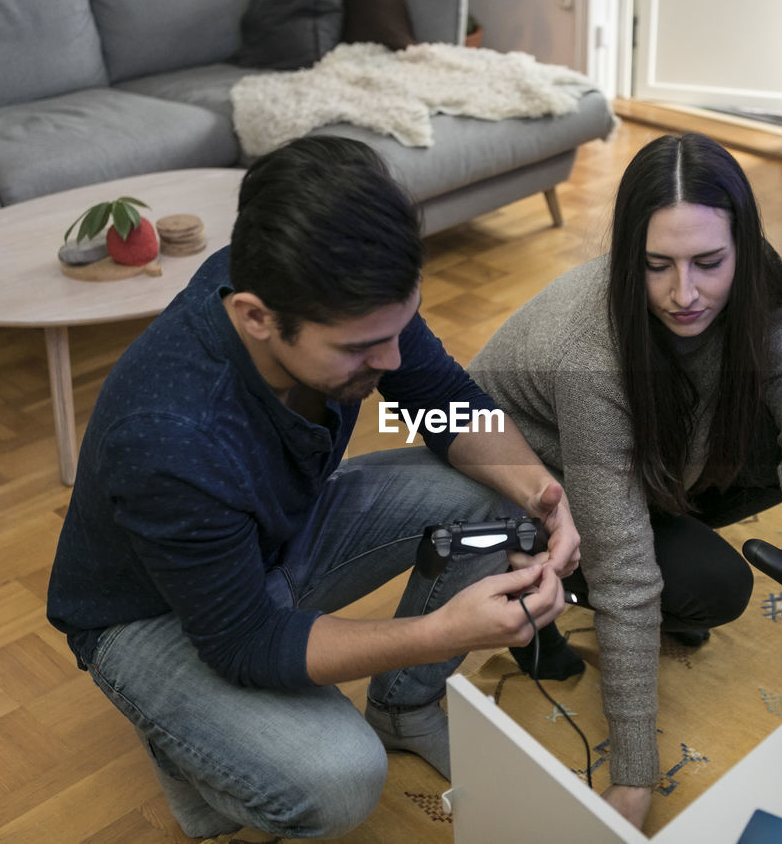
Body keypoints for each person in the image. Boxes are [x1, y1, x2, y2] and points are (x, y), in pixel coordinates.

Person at [46, 135, 580, 841]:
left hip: (272, 532)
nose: (391, 359)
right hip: (146, 613)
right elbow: (246, 638)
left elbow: (441, 399)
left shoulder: (330, 287)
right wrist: (435, 633)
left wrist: (545, 494)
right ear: (255, 317)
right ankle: (184, 747)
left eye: (401, 324)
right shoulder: (170, 437)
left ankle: (401, 708)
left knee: (502, 499)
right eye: (361, 348)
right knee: (337, 780)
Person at [469, 132, 782, 829]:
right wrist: (634, 777)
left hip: (626, 454)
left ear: (742, 246)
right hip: (529, 469)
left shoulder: (755, 274)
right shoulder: (593, 355)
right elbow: (629, 576)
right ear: (628, 257)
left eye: (710, 262)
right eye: (657, 266)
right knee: (709, 586)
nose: (686, 293)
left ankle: (646, 532)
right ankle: (530, 557)